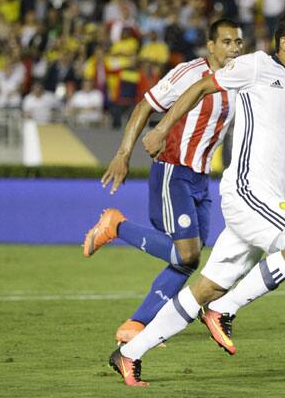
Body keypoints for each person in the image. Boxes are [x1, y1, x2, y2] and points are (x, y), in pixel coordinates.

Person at [108, 10, 285, 387]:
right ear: (284, 43)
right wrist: (162, 128)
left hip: (266, 199)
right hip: (246, 188)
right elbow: (200, 87)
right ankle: (224, 310)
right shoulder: (257, 66)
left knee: (204, 287)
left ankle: (129, 353)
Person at [82, 19, 244, 344]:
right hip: (173, 170)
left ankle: (137, 324)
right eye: (227, 42)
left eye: (238, 42)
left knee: (190, 258)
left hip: (201, 177)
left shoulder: (240, 80)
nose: (234, 48)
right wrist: (123, 153)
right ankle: (116, 227)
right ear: (211, 46)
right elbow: (145, 105)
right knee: (186, 254)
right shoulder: (189, 73)